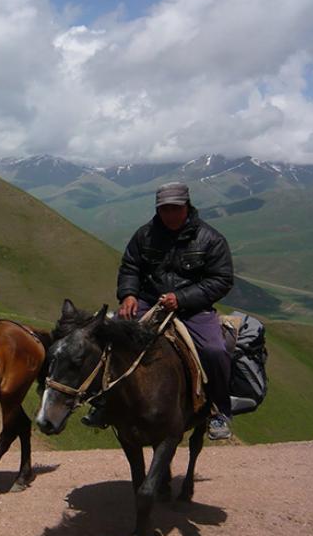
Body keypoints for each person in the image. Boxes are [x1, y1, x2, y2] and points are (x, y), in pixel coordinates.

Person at [83, 181, 235, 440]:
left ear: (186, 206)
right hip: (149, 302)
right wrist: (128, 295)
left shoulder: (210, 239)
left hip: (193, 309)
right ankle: (103, 402)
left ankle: (219, 411)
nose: (169, 214)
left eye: (175, 208)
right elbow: (131, 267)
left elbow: (221, 279)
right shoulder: (145, 235)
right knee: (107, 337)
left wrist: (183, 298)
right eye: (164, 209)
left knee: (215, 350)